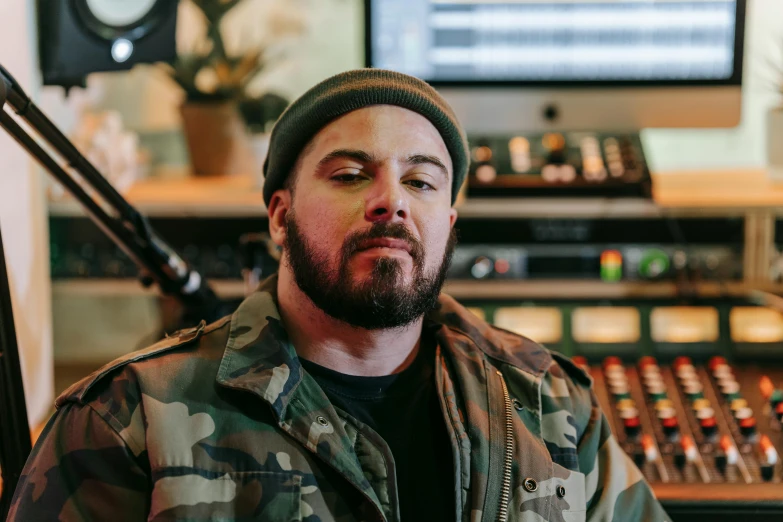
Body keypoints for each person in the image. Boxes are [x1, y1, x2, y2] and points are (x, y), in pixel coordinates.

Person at [9, 69, 670, 521]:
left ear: (448, 224)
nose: (389, 202)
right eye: (352, 175)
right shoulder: (124, 425)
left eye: (420, 182)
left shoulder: (549, 401)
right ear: (278, 216)